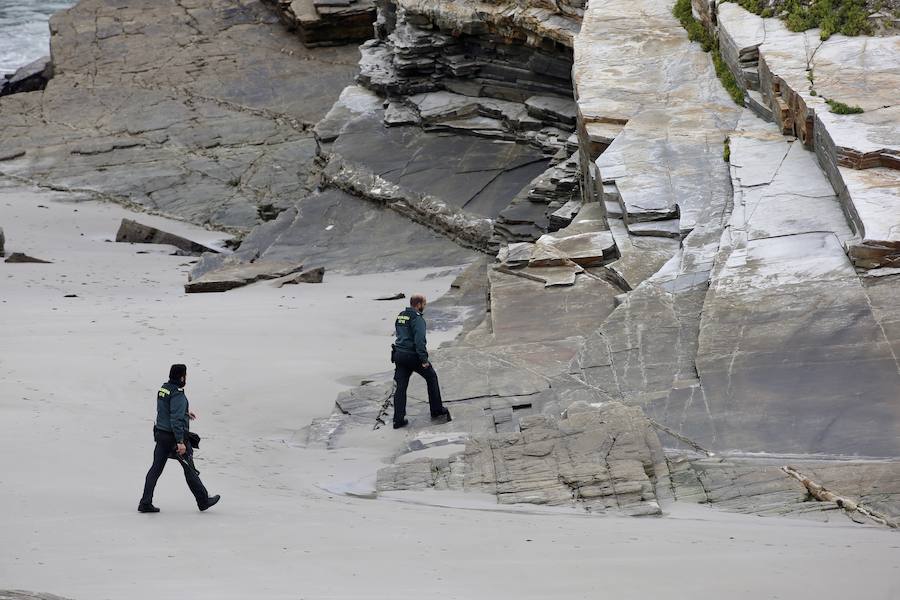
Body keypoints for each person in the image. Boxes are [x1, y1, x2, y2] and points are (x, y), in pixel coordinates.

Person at [138, 364, 220, 513]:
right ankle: (203, 501)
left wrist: (185, 413)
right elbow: (175, 419)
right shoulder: (178, 393)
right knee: (190, 469)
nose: (186, 378)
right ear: (182, 377)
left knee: (155, 470)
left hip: (160, 435)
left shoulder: (164, 389)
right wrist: (180, 442)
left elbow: (165, 410)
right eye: (186, 376)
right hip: (173, 438)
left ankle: (145, 502)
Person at [391, 294, 451, 429]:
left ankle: (398, 419)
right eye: (424, 303)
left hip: (399, 355)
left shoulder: (401, 315)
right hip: (412, 356)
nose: (425, 306)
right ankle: (436, 410)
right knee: (431, 377)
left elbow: (399, 334)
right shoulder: (417, 318)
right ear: (418, 304)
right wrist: (423, 359)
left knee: (400, 387)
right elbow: (419, 340)